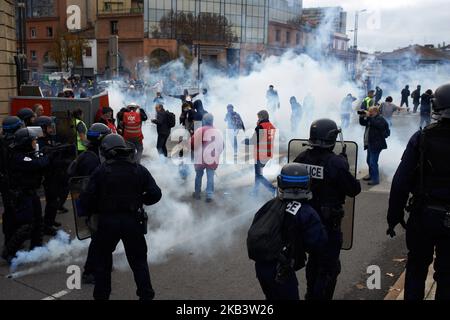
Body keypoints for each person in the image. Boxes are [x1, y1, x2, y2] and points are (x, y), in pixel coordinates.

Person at [387, 83, 450, 300]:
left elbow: (401, 182)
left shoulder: (422, 137)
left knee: (416, 269)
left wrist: (393, 216)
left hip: (424, 215)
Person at [80, 134, 162, 300]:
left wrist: (94, 211)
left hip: (107, 223)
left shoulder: (101, 171)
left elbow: (86, 199)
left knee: (103, 264)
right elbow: (156, 194)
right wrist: (140, 201)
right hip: (132, 221)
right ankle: (146, 296)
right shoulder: (138, 169)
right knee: (139, 263)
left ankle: (102, 297)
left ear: (106, 152)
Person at [293, 119, 361, 300]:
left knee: (314, 263)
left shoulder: (301, 158)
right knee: (329, 268)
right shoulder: (335, 163)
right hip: (327, 226)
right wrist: (344, 164)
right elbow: (353, 190)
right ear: (331, 139)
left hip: (305, 223)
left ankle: (310, 295)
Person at [249, 163, 327, 300]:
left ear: (280, 182)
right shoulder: (307, 212)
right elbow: (318, 244)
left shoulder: (271, 204)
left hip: (261, 267)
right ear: (308, 183)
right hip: (281, 270)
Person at [68, 123, 111, 284]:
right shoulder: (91, 159)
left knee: (103, 237)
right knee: (98, 238)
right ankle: (89, 271)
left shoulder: (92, 154)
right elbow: (91, 186)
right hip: (93, 204)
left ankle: (104, 263)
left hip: (92, 203)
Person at [1, 128, 49, 263]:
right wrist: (47, 157)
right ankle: (9, 252)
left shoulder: (25, 153)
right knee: (26, 225)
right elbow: (36, 164)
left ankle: (36, 248)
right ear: (25, 142)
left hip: (31, 192)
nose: (35, 143)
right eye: (33, 141)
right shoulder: (18, 156)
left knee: (39, 222)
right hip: (22, 194)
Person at [1, 117, 24, 249]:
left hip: (9, 184)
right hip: (10, 184)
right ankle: (9, 245)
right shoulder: (10, 145)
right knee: (12, 215)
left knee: (12, 213)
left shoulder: (5, 142)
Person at [190, 113, 224, 203]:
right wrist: (217, 153)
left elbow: (192, 143)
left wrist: (195, 151)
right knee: (210, 176)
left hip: (200, 157)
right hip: (212, 157)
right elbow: (221, 146)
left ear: (204, 121)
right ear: (212, 121)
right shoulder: (217, 132)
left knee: (198, 176)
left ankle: (197, 193)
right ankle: (209, 195)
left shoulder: (199, 130)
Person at [248, 110, 277, 197]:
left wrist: (246, 141)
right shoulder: (271, 126)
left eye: (258, 117)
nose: (258, 119)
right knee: (258, 175)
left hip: (260, 155)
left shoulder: (260, 127)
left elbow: (254, 140)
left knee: (259, 175)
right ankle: (255, 192)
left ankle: (273, 189)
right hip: (268, 154)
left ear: (261, 117)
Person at [359, 107, 390, 186]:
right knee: (369, 161)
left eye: (370, 111)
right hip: (370, 143)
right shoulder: (371, 119)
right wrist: (361, 117)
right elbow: (363, 123)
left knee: (373, 162)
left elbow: (377, 124)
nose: (369, 112)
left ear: (375, 111)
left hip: (376, 144)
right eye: (369, 111)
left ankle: (375, 179)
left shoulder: (380, 119)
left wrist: (368, 116)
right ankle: (371, 175)